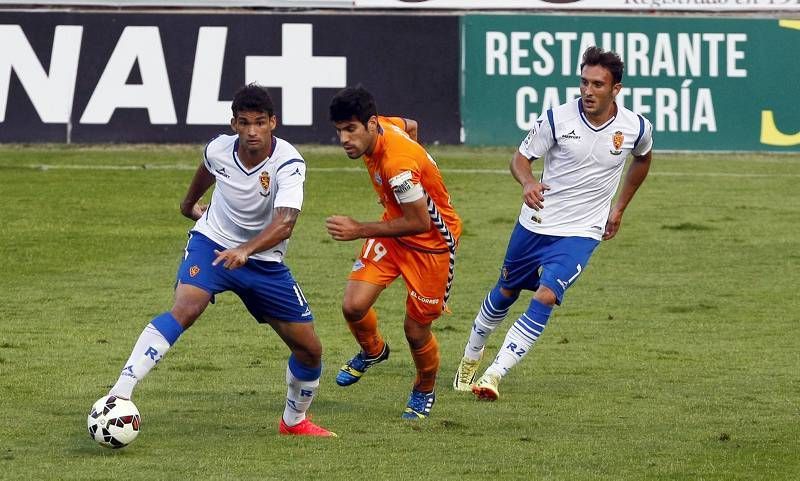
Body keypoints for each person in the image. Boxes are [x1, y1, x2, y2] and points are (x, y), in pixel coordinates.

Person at [105, 84, 335, 437]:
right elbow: (208, 168)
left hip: (264, 261)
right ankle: (119, 393)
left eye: (260, 122)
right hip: (212, 243)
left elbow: (285, 223)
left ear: (274, 122)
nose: (252, 131)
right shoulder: (218, 148)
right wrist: (188, 204)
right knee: (186, 307)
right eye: (244, 122)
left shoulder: (288, 163)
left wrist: (246, 251)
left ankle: (293, 422)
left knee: (310, 349)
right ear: (234, 124)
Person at [452, 46, 654, 401]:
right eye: (584, 82)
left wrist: (619, 208)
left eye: (597, 84)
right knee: (506, 292)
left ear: (616, 89)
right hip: (536, 224)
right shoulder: (557, 119)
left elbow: (642, 158)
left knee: (547, 295)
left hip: (582, 232)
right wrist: (528, 183)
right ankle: (471, 355)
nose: (588, 91)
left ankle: (494, 374)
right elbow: (520, 158)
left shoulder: (635, 127)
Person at [326, 86, 462, 419]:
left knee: (415, 332)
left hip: (432, 245)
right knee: (353, 305)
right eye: (340, 130)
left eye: (350, 130)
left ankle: (424, 388)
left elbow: (418, 222)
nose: (344, 138)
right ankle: (373, 350)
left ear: (371, 125)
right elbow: (411, 125)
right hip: (394, 231)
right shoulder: (387, 125)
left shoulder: (397, 165)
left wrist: (358, 228)